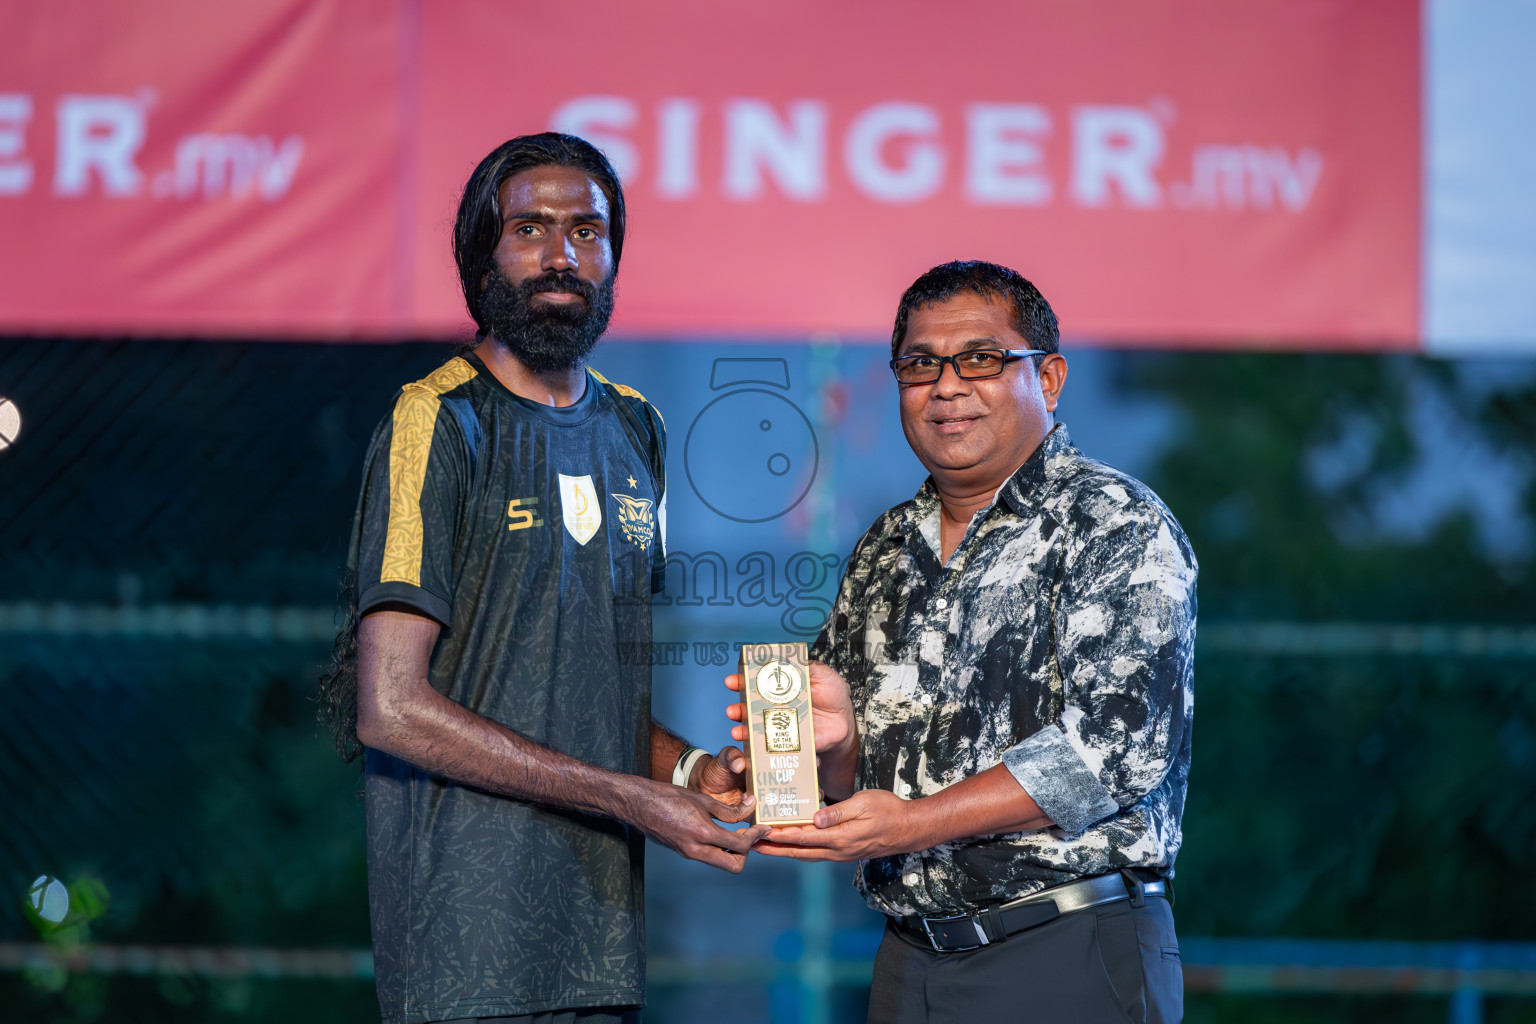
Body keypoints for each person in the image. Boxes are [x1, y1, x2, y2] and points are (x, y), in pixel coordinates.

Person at [319, 133, 767, 1024]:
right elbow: (391, 707)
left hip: (599, 948)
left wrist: (685, 774)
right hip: (466, 956)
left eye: (587, 232)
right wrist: (629, 797)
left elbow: (584, 689)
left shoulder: (639, 429)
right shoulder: (437, 421)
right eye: (530, 228)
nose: (563, 254)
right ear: (482, 256)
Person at [729, 261, 1197, 1023]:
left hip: (1067, 951)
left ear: (1047, 379)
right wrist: (830, 754)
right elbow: (862, 780)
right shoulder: (885, 549)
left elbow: (1112, 753)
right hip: (909, 957)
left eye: (980, 359)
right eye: (920, 365)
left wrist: (913, 823)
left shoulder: (1115, 522)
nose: (946, 386)